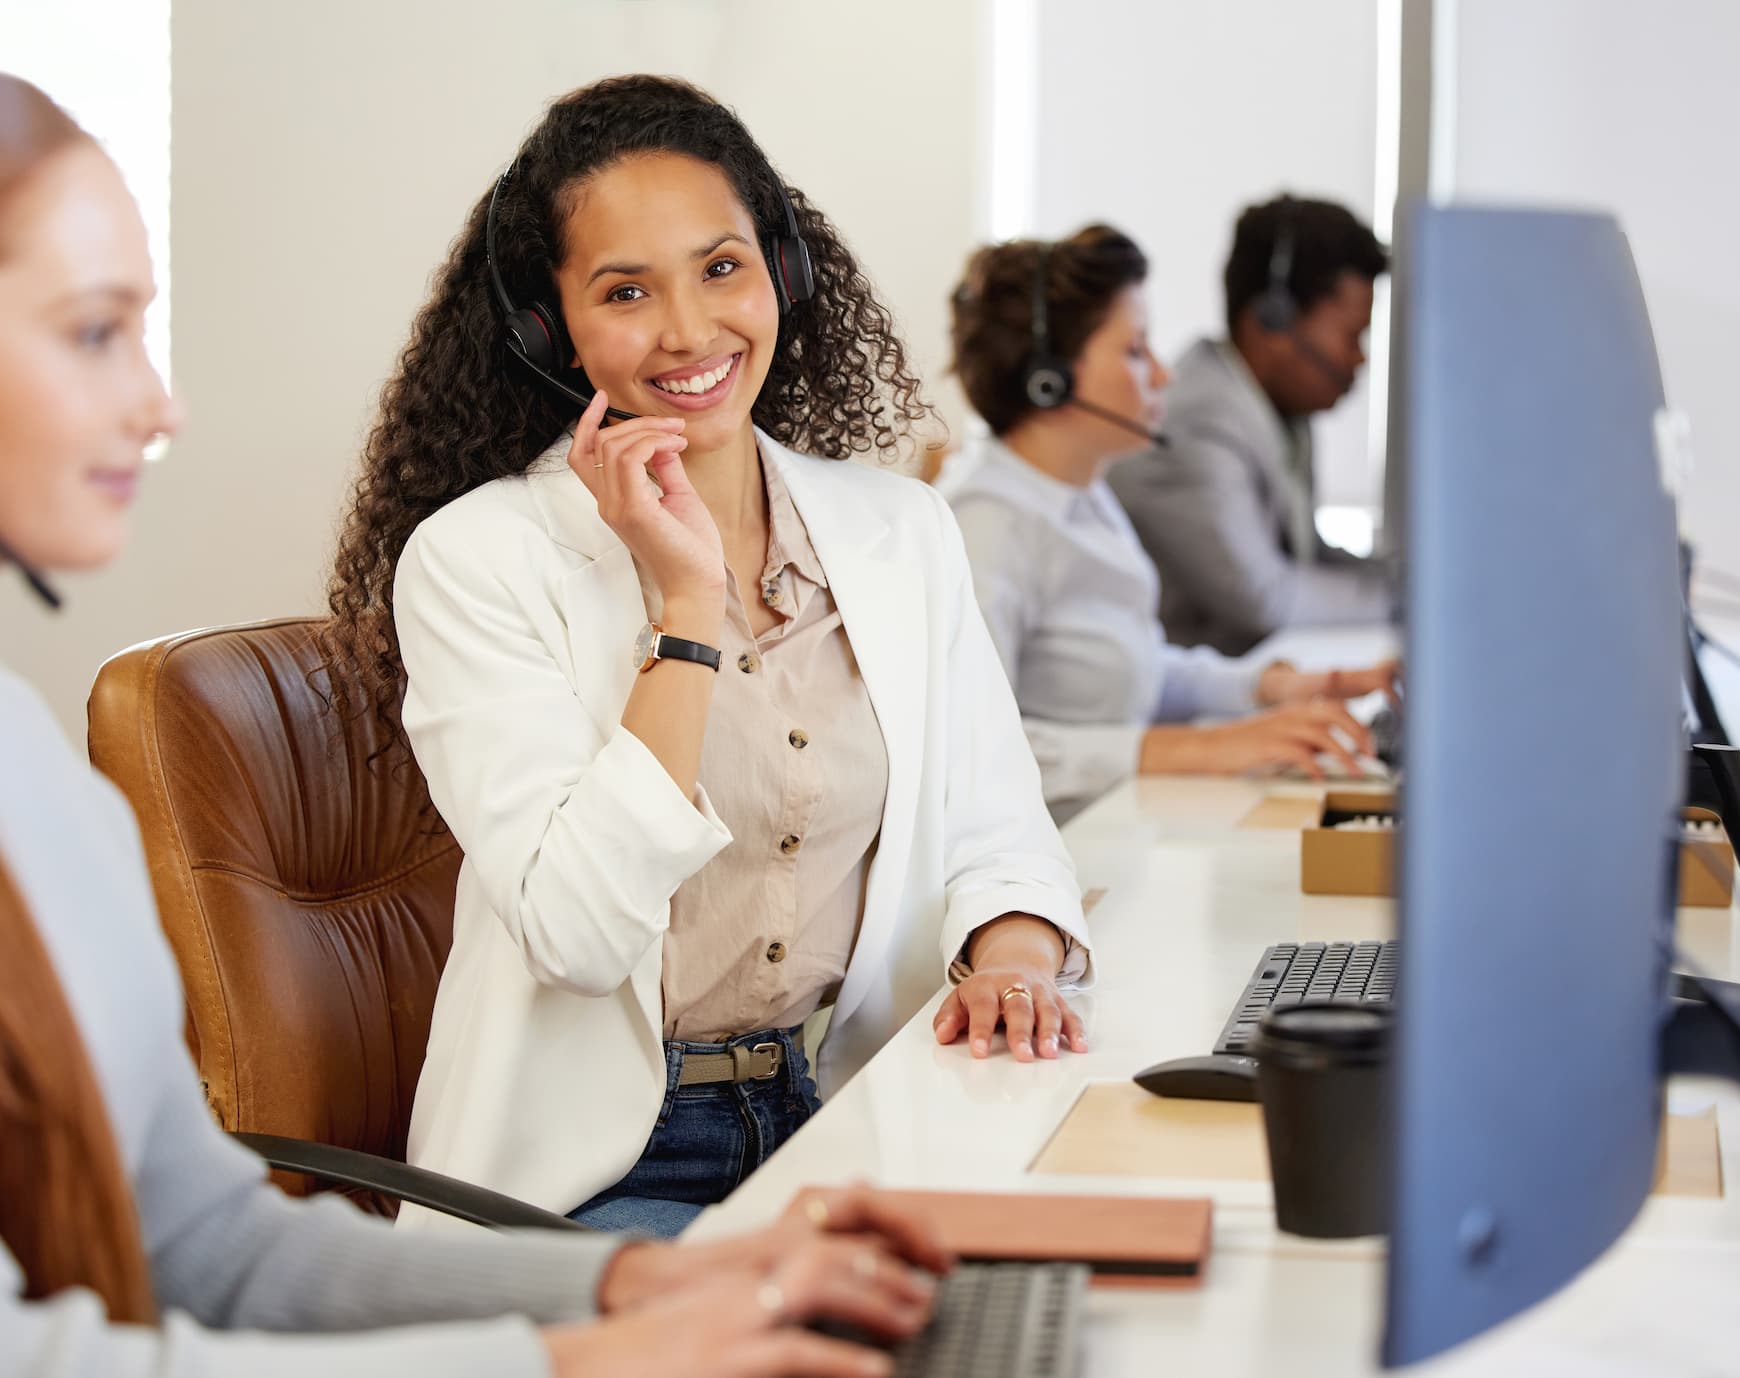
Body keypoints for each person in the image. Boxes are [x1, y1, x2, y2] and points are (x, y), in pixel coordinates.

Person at [0, 71, 953, 1378]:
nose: (160, 405)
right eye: (95, 332)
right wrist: (585, 1358)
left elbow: (218, 1249)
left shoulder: (28, 771)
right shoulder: (482, 557)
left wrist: (636, 1281)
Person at [320, 75, 1094, 1239]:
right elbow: (578, 936)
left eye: (721, 267)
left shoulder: (899, 533)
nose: (689, 331)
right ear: (548, 328)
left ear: (783, 269)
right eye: (626, 290)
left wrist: (1015, 959)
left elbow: (995, 824)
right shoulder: (477, 559)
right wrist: (687, 606)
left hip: (859, 1112)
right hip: (603, 1169)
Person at [942, 226, 1395, 822]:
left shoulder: (1083, 497)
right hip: (1038, 860)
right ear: (1048, 378)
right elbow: (966, 750)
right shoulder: (987, 527)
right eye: (1136, 351)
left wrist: (1265, 690)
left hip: (1112, 825)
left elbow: (1130, 667)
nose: (1164, 374)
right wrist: (1203, 748)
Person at [1106, 194, 1392, 654]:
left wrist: (1403, 579)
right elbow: (1266, 600)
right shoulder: (1197, 424)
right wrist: (1406, 600)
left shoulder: (1278, 412)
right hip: (1179, 706)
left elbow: (1305, 556)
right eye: (1351, 335)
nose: (1359, 358)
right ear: (1271, 321)